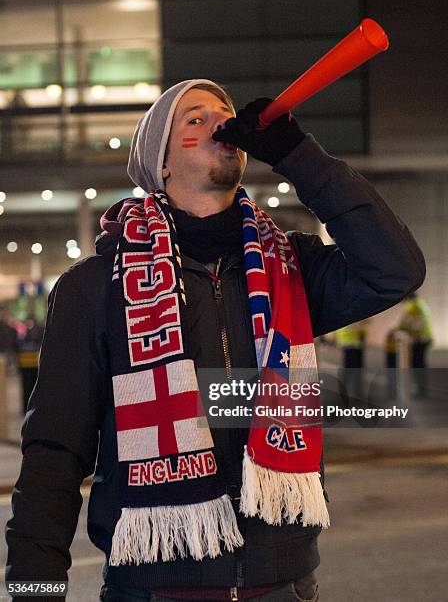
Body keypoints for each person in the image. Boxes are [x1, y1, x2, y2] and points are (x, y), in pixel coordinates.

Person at [5, 79, 425, 602]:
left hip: (283, 583)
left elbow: (395, 270)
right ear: (160, 162)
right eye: (195, 119)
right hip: (154, 588)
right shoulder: (94, 285)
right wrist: (32, 590)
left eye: (224, 115)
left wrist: (299, 156)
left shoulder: (291, 266)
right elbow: (55, 450)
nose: (219, 124)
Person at [396, 292, 433, 397]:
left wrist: (398, 329)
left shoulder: (413, 307)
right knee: (420, 364)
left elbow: (407, 323)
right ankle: (422, 389)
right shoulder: (420, 304)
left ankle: (421, 391)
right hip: (424, 338)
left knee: (417, 365)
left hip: (419, 339)